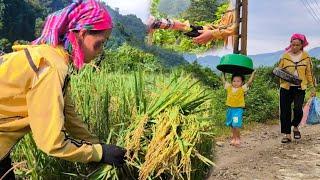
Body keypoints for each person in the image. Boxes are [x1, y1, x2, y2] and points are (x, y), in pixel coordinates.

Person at [0, 0, 126, 179]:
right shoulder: (51, 67)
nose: (101, 50)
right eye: (101, 42)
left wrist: (97, 145)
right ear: (82, 34)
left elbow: (68, 114)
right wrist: (98, 153)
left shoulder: (50, 55)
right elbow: (51, 142)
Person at [277, 33, 316, 143]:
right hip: (285, 87)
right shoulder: (285, 56)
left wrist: (312, 87)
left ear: (302, 45)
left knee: (298, 109)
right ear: (290, 44)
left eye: (297, 45)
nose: (294, 47)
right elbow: (278, 71)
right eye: (293, 44)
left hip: (300, 87)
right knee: (285, 111)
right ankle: (287, 135)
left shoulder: (306, 57)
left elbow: (309, 73)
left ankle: (295, 126)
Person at [147, 4, 236, 46]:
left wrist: (213, 33)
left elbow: (240, 28)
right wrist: (201, 28)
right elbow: (224, 25)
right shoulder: (231, 4)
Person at [221, 71, 255, 147]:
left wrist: (253, 73)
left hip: (237, 110)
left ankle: (238, 138)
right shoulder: (229, 87)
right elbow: (223, 81)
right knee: (232, 125)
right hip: (230, 110)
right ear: (231, 81)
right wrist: (223, 73)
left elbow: (249, 82)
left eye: (238, 81)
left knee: (236, 124)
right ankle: (233, 138)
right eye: (234, 81)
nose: (236, 83)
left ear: (242, 82)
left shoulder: (242, 89)